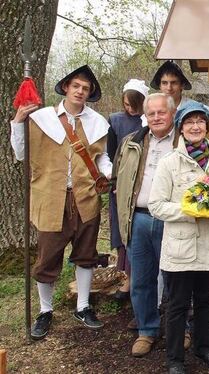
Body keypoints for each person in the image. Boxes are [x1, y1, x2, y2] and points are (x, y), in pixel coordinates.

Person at [9, 65, 112, 339]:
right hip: (50, 197)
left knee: (86, 254)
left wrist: (108, 170)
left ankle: (83, 306)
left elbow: (100, 156)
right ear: (66, 87)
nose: (80, 91)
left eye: (86, 88)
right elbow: (21, 154)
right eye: (76, 86)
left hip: (86, 198)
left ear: (89, 94)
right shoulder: (41, 118)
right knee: (48, 256)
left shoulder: (98, 122)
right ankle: (45, 311)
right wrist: (18, 122)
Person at [148, 100, 209, 374]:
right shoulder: (170, 162)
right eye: (189, 122)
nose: (195, 126)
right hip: (182, 248)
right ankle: (174, 359)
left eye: (200, 121)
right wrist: (192, 211)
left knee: (206, 300)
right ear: (181, 128)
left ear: (207, 126)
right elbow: (156, 205)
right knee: (178, 304)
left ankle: (203, 347)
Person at [112, 93, 178, 357]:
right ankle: (146, 330)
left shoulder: (184, 143)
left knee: (176, 280)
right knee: (141, 279)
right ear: (145, 116)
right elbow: (119, 177)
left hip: (173, 221)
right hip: (138, 218)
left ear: (172, 113)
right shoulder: (131, 143)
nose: (156, 117)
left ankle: (179, 328)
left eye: (161, 112)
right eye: (151, 113)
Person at [108, 79, 149, 302]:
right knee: (125, 233)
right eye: (126, 104)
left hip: (144, 189)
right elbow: (112, 156)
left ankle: (136, 281)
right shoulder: (115, 121)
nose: (130, 109)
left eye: (134, 104)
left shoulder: (149, 120)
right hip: (122, 186)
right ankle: (127, 278)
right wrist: (116, 183)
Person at [149, 60, 209, 150]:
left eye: (174, 82)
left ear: (182, 85)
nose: (169, 88)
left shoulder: (199, 110)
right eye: (164, 83)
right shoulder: (151, 112)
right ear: (159, 85)